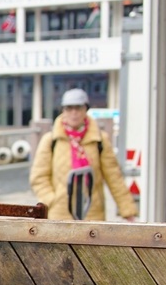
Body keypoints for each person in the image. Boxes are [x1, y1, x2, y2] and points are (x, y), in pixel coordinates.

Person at [29, 88, 138, 221]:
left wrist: (127, 209)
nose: (74, 113)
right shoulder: (51, 140)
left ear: (85, 110)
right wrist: (51, 199)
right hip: (60, 212)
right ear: (63, 111)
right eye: (69, 109)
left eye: (78, 108)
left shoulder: (99, 139)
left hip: (92, 211)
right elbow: (39, 177)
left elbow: (114, 176)